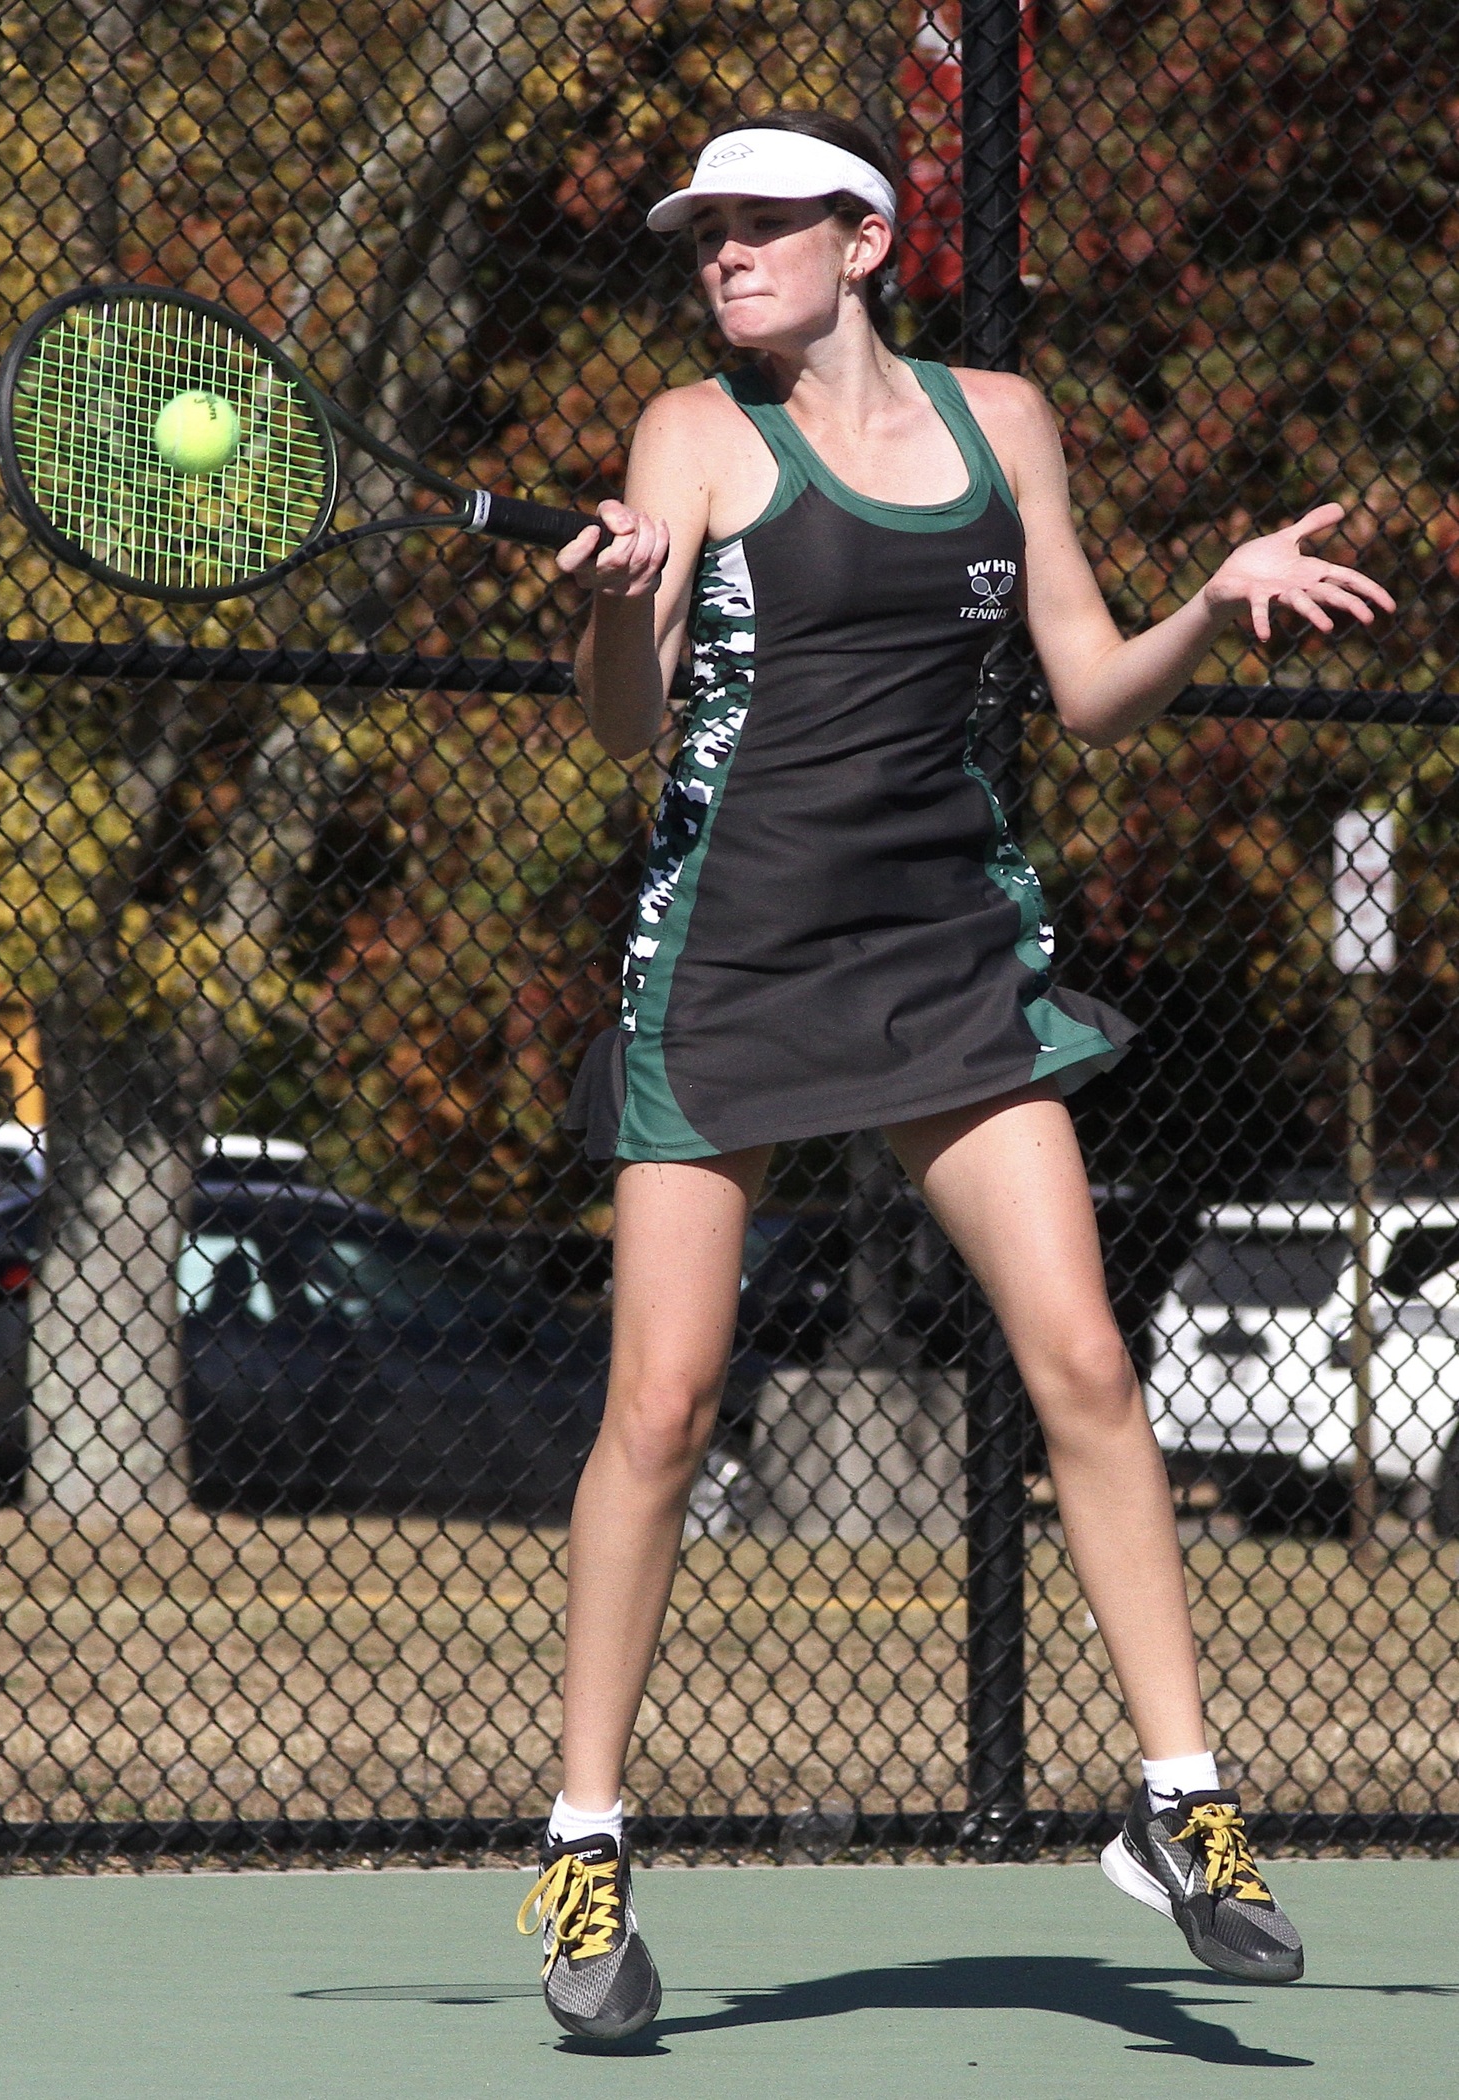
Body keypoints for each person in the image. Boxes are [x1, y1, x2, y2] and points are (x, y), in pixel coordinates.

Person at [514, 110, 1394, 2040]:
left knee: (1085, 1361)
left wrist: (1210, 598)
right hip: (729, 963)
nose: (724, 257)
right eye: (703, 236)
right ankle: (585, 1843)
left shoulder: (1006, 418)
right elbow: (622, 736)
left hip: (944, 962)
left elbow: (1082, 686)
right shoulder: (691, 436)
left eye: (761, 228)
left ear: (865, 238)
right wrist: (607, 601)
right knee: (659, 1411)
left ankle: (1181, 1806)